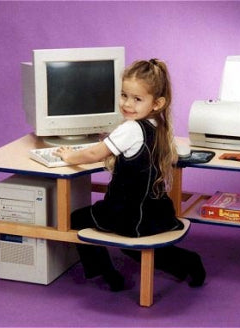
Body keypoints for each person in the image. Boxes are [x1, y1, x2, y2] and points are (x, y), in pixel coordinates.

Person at [54, 59, 206, 291]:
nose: (127, 104)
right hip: (156, 211)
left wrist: (69, 156)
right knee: (131, 248)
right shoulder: (158, 125)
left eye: (137, 99)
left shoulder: (131, 128)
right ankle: (188, 262)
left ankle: (106, 274)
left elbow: (95, 153)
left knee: (76, 219)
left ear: (157, 103)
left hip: (128, 214)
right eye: (124, 95)